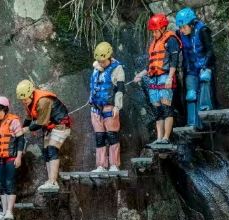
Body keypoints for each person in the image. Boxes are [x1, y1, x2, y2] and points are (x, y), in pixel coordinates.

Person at [15, 79, 71, 193]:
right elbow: (29, 117)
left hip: (60, 125)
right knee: (46, 152)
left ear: (31, 93)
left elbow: (41, 122)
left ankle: (53, 182)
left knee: (52, 149)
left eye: (25, 99)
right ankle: (51, 180)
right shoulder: (29, 101)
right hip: (50, 128)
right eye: (22, 100)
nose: (24, 101)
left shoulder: (43, 100)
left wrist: (25, 129)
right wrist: (20, 128)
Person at [133, 14, 181, 145]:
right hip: (153, 79)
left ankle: (166, 137)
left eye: (155, 31)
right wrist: (140, 75)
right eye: (152, 31)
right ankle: (159, 138)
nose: (154, 34)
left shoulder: (171, 40)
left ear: (163, 28)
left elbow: (174, 61)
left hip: (165, 77)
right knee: (157, 111)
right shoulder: (154, 43)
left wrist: (170, 77)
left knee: (167, 109)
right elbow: (150, 65)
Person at [88, 41, 125, 173]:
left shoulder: (117, 68)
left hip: (110, 106)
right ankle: (100, 165)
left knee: (112, 135)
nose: (101, 63)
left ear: (109, 57)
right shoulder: (96, 69)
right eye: (99, 61)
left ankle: (114, 164)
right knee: (99, 137)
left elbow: (120, 88)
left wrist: (117, 106)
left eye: (103, 61)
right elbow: (93, 86)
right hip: (96, 107)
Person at [176, 8, 215, 128]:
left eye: (184, 27)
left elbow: (210, 51)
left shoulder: (202, 30)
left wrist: (205, 66)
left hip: (203, 65)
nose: (182, 30)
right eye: (180, 27)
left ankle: (205, 113)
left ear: (192, 24)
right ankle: (192, 123)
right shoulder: (180, 34)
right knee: (191, 95)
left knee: (204, 78)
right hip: (190, 68)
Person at [0, 96, 25, 220]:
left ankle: (9, 211)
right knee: (0, 183)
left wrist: (19, 157)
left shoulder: (13, 121)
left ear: (5, 109)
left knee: (9, 182)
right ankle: (3, 212)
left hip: (11, 156)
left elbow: (20, 140)